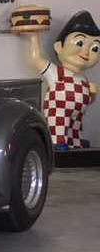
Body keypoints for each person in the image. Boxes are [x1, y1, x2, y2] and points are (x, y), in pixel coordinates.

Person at [22, 11, 99, 150]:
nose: (86, 52)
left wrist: (92, 95)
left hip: (78, 113)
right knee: (59, 122)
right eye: (80, 42)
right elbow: (35, 58)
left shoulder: (83, 78)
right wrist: (34, 36)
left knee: (76, 126)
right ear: (59, 46)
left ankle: (75, 141)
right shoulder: (55, 71)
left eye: (95, 48)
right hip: (58, 110)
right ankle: (57, 141)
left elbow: (87, 100)